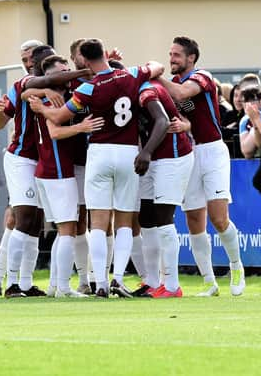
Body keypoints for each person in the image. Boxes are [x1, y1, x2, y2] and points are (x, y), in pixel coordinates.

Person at [29, 38, 164, 298]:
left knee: (98, 223)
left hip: (99, 153)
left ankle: (100, 282)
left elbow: (58, 117)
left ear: (85, 61)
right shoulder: (131, 75)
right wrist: (148, 67)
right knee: (124, 221)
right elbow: (156, 67)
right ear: (104, 53)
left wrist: (41, 109)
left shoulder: (88, 89)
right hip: (128, 152)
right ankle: (119, 278)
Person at [157, 36, 246, 296]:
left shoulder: (202, 77)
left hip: (212, 151)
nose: (171, 59)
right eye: (170, 54)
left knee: (219, 219)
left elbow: (183, 94)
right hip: (188, 154)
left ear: (191, 58)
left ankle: (236, 266)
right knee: (194, 218)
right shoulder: (173, 84)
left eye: (176, 55)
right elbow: (183, 116)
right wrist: (185, 126)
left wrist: (151, 75)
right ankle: (209, 282)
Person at [23, 54, 104, 297]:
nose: (66, 73)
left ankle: (55, 285)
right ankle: (64, 288)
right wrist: (82, 127)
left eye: (68, 69)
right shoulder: (51, 98)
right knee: (68, 229)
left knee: (63, 229)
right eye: (61, 70)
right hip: (57, 171)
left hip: (49, 171)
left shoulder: (47, 94)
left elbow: (27, 93)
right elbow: (55, 132)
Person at [0, 39, 42, 297]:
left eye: (31, 59)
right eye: (24, 60)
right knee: (16, 217)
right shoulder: (20, 86)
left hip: (46, 161)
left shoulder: (55, 80)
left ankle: (24, 283)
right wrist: (2, 112)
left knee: (36, 222)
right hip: (21, 158)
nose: (27, 65)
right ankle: (1, 280)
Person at [134, 80, 194, 298]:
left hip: (173, 158)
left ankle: (172, 286)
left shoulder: (146, 92)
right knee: (146, 217)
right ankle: (152, 281)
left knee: (163, 217)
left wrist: (146, 152)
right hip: (155, 159)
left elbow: (162, 121)